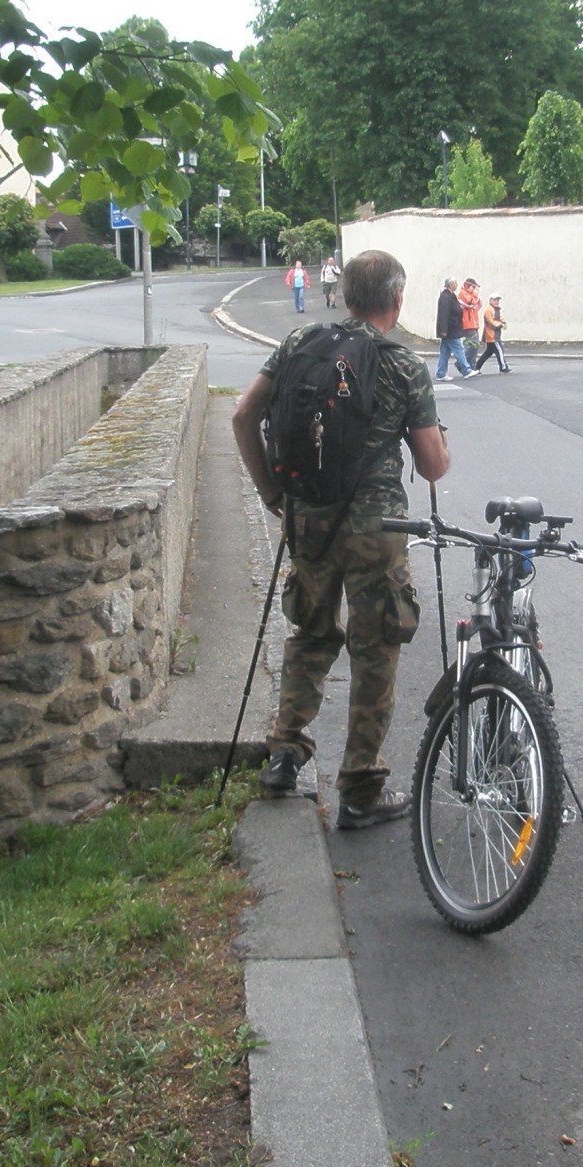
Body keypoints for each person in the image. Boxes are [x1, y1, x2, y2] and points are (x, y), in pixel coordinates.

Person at [232, 250, 450, 828]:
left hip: (308, 519)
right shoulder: (402, 365)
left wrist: (273, 495)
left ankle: (284, 753)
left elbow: (242, 416)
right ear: (397, 300)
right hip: (376, 531)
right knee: (375, 648)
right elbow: (432, 467)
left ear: (346, 294)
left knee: (311, 632)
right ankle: (360, 788)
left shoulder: (299, 341)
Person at [433, 277, 476, 380]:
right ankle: (466, 370)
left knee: (445, 352)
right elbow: (443, 314)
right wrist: (443, 330)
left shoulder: (451, 296)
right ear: (450, 285)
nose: (457, 285)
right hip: (451, 329)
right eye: (455, 283)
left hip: (451, 328)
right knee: (459, 349)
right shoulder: (445, 297)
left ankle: (441, 373)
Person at [479, 293, 511, 373]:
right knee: (500, 351)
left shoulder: (496, 310)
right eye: (495, 300)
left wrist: (503, 322)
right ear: (490, 300)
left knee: (487, 353)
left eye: (498, 300)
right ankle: (503, 367)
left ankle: (477, 368)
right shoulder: (489, 310)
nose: (496, 302)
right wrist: (501, 324)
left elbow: (500, 318)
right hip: (492, 336)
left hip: (494, 335)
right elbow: (491, 322)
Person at [458, 278, 484, 359]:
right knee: (474, 344)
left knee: (475, 346)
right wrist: (476, 297)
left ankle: (472, 365)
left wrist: (475, 297)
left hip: (473, 323)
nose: (474, 289)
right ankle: (462, 361)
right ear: (467, 285)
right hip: (467, 324)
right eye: (473, 287)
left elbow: (478, 305)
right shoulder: (463, 294)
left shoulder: (472, 294)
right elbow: (470, 303)